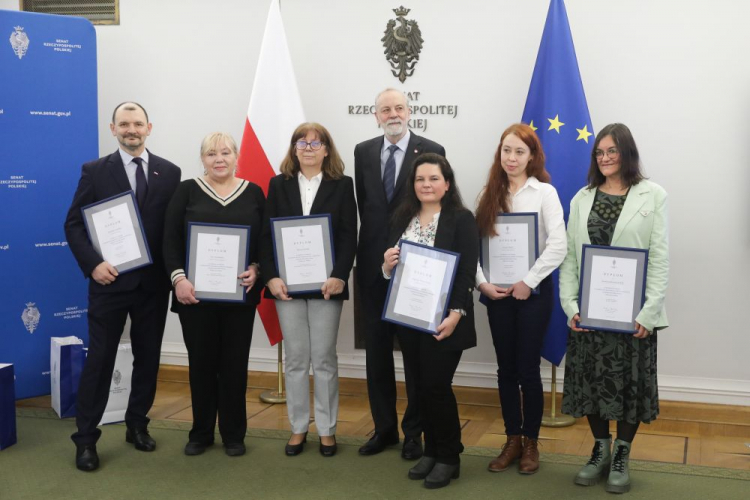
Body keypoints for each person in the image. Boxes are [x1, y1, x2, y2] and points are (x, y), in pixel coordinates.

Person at [64, 102, 181, 471]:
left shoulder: (170, 172)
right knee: (100, 360)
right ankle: (86, 440)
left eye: (137, 124)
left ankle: (137, 424)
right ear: (112, 129)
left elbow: (173, 230)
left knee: (148, 358)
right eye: (124, 124)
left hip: (152, 285)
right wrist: (93, 265)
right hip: (109, 283)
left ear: (149, 127)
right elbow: (74, 225)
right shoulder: (95, 171)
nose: (132, 130)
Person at [560, 123, 669, 493]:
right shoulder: (581, 198)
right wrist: (570, 305)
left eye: (612, 151)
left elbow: (659, 260)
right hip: (589, 313)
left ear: (626, 153)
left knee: (628, 386)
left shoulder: (652, 196)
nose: (605, 158)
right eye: (599, 152)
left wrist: (649, 313)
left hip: (632, 316)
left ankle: (622, 453)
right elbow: (571, 260)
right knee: (591, 381)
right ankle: (600, 450)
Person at [354, 88, 445, 459]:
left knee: (414, 357)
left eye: (399, 108)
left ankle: (414, 434)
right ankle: (384, 430)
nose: (393, 114)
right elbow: (367, 207)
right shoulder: (362, 151)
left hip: (414, 271)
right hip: (374, 269)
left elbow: (434, 203)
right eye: (385, 109)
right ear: (376, 116)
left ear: (410, 112)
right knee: (376, 355)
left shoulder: (431, 149)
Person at [162, 132, 265, 458]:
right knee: (202, 365)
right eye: (211, 154)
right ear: (202, 159)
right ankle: (201, 433)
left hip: (238, 297)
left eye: (225, 153)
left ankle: (234, 435)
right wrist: (178, 279)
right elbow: (169, 240)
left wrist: (257, 269)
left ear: (236, 156)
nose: (218, 159)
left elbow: (264, 242)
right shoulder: (186, 190)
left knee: (235, 366)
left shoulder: (254, 193)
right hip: (195, 298)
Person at [259, 123, 357, 457]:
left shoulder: (343, 186)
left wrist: (339, 275)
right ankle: (299, 427)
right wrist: (270, 277)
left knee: (324, 358)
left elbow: (348, 236)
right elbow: (265, 236)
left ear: (327, 149)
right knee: (297, 359)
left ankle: (327, 430)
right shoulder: (278, 185)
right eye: (302, 142)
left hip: (327, 286)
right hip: (286, 287)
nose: (309, 148)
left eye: (316, 143)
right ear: (294, 148)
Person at [382, 153, 478, 489]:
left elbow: (467, 272)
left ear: (447, 183)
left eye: (434, 178)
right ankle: (433, 450)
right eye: (420, 179)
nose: (427, 184)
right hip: (409, 318)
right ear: (413, 184)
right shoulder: (402, 217)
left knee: (437, 386)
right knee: (420, 388)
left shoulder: (462, 219)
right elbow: (392, 270)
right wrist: (387, 265)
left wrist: (455, 314)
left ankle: (450, 457)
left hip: (447, 320)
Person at [475, 124, 567, 475]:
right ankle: (511, 439)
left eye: (519, 152)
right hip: (496, 296)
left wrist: (528, 281)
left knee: (528, 369)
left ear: (532, 156)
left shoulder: (544, 193)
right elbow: (476, 246)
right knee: (505, 370)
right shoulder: (489, 193)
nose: (511, 158)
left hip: (532, 296)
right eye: (506, 151)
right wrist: (483, 284)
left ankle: (531, 442)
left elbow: (559, 245)